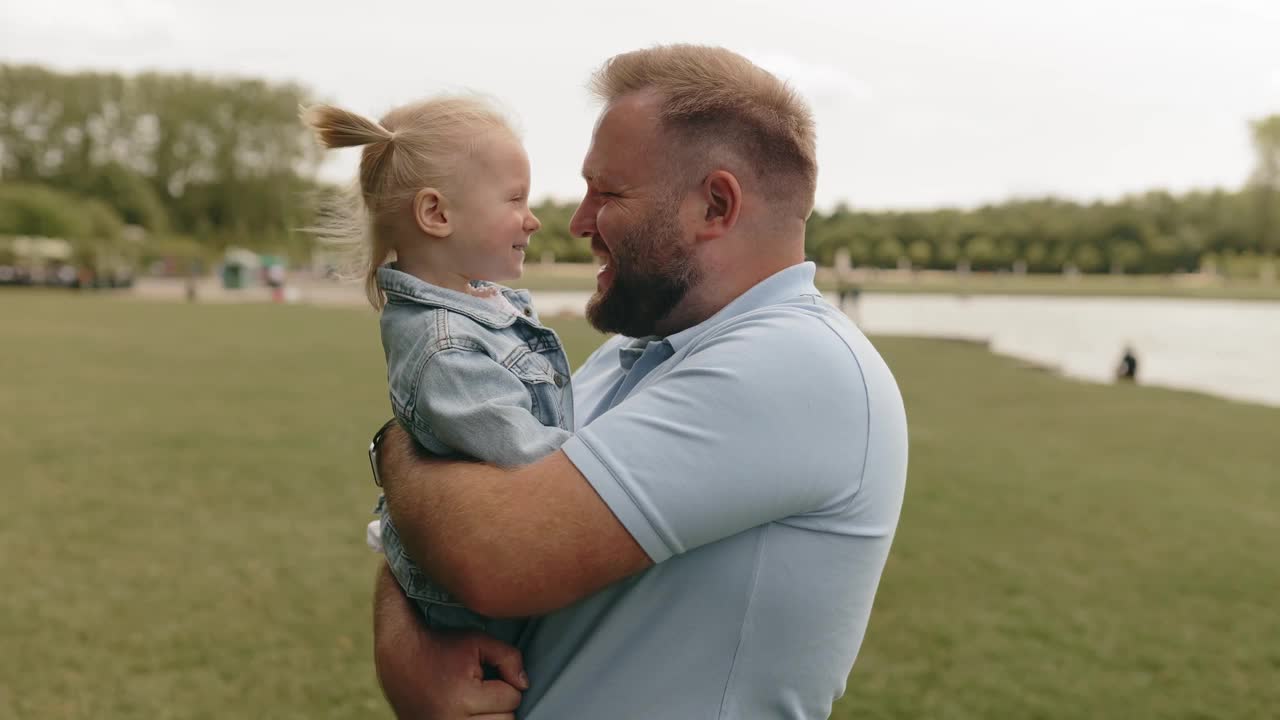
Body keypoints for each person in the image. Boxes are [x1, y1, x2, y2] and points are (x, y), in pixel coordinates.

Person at [370, 45, 909, 719]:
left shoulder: (799, 365)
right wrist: (406, 644)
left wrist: (396, 444)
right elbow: (436, 534)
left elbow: (490, 551)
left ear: (715, 204)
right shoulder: (635, 355)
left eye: (610, 193)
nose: (577, 222)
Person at [303, 97, 574, 649]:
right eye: (515, 199)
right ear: (437, 215)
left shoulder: (481, 309)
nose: (534, 217)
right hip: (485, 618)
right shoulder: (446, 350)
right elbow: (539, 470)